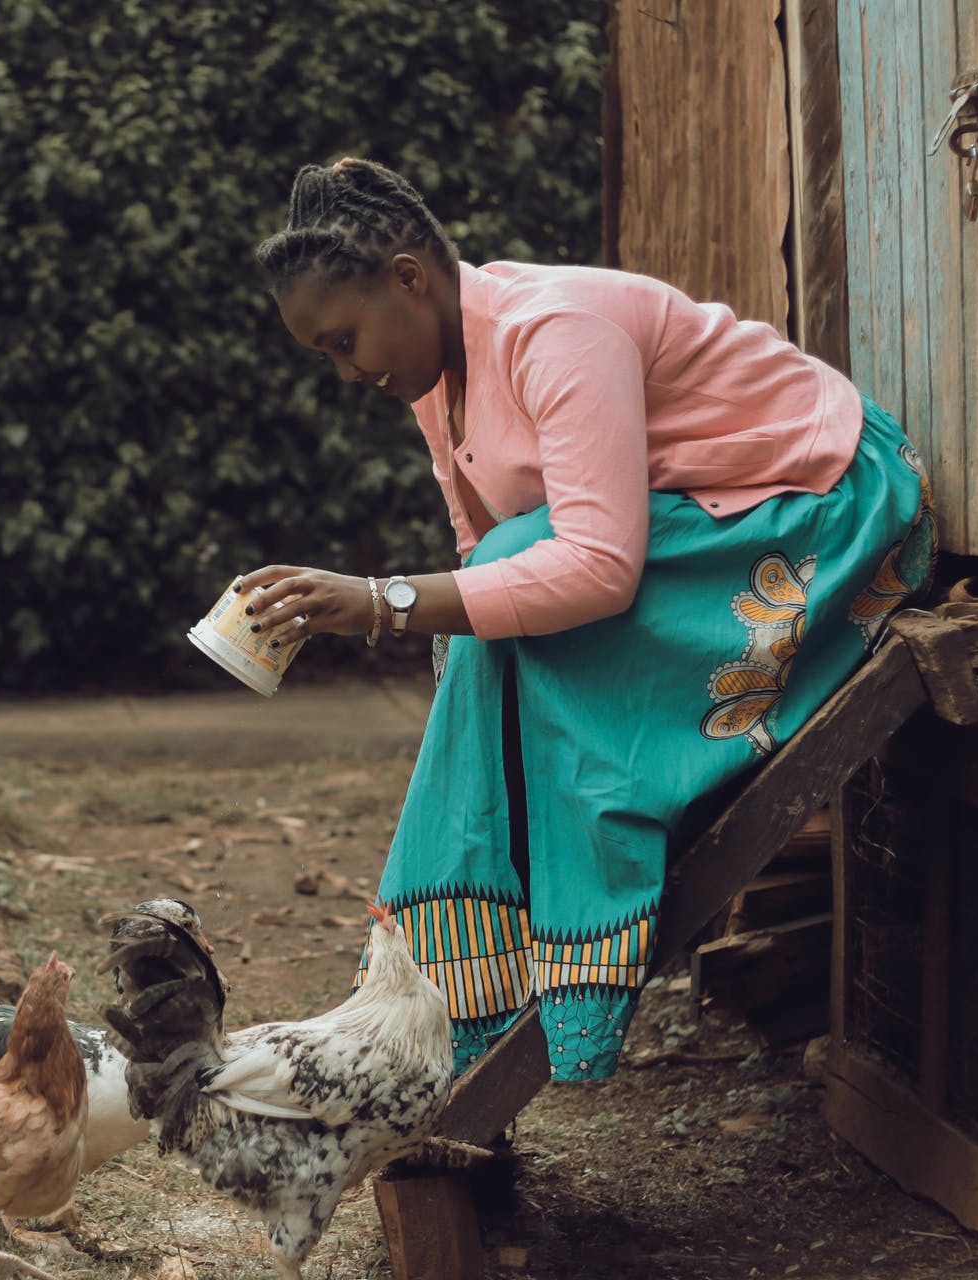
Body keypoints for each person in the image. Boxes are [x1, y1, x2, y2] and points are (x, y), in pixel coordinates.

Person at [237, 157, 934, 1080]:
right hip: (710, 525)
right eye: (326, 354)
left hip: (828, 504)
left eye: (343, 340)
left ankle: (511, 939)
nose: (346, 370)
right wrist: (424, 624)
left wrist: (378, 603)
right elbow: (488, 555)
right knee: (490, 622)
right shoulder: (436, 377)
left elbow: (597, 568)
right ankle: (487, 946)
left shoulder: (554, 329)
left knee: (503, 599)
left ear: (409, 278)